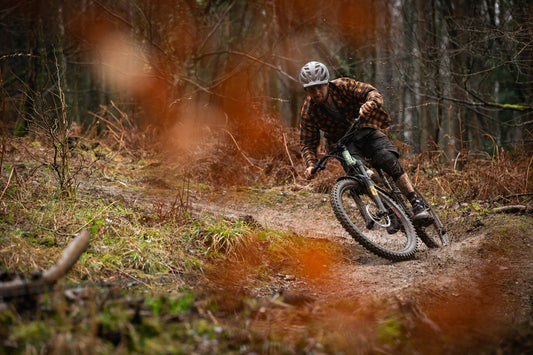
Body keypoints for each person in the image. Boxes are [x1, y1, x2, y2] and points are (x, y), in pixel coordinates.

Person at [298, 61, 430, 223]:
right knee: (360, 175)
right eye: (312, 89)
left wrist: (370, 103)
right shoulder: (308, 111)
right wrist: (310, 164)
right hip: (343, 144)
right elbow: (307, 142)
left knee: (387, 158)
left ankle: (415, 201)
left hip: (364, 129)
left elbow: (371, 92)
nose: (317, 92)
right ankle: (389, 208)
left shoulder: (343, 85)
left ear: (327, 83)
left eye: (320, 87)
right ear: (306, 90)